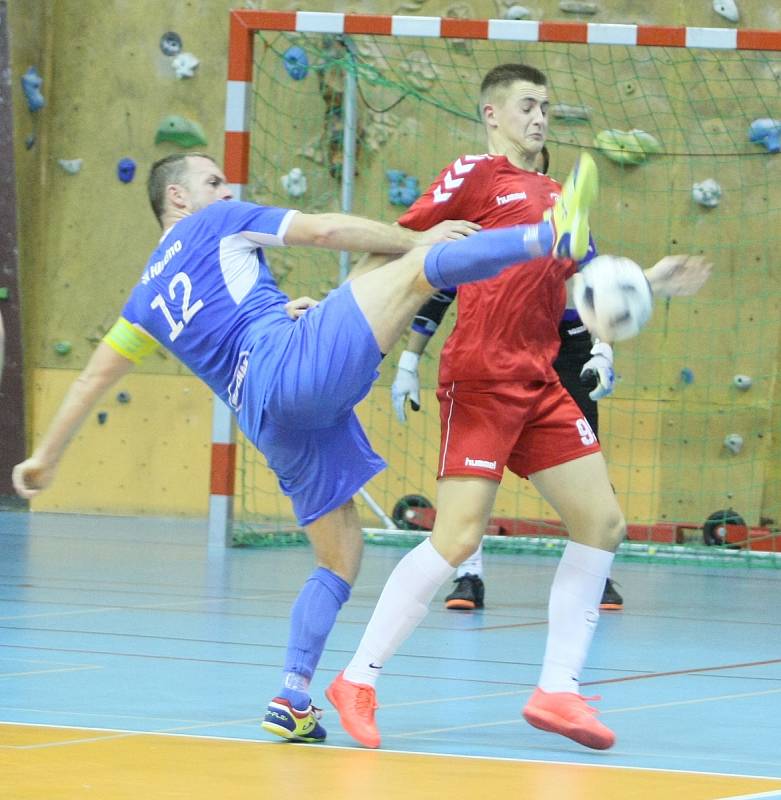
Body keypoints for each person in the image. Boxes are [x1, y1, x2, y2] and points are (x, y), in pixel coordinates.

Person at [11, 150, 597, 744]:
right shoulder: (216, 220)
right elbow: (324, 229)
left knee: (339, 556)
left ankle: (293, 697)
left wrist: (46, 458)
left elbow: (92, 378)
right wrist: (413, 234)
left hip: (268, 417)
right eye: (212, 181)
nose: (226, 187)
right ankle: (546, 237)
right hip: (290, 366)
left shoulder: (144, 301)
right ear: (178, 199)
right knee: (420, 266)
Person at [326, 63, 710, 751]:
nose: (539, 118)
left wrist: (646, 281)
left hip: (539, 379)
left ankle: (557, 691)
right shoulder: (474, 174)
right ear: (491, 115)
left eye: (545, 108)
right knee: (457, 540)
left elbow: (581, 290)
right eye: (527, 106)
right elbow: (396, 236)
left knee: (601, 521)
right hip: (479, 376)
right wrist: (341, 321)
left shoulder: (562, 197)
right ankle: (357, 678)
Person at [391, 146, 622, 613]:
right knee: (474, 486)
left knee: (590, 470)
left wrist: (603, 346)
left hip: (566, 346)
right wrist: (407, 363)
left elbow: (600, 284)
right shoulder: (490, 219)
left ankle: (599, 575)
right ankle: (468, 576)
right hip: (496, 355)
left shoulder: (565, 222)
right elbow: (440, 289)